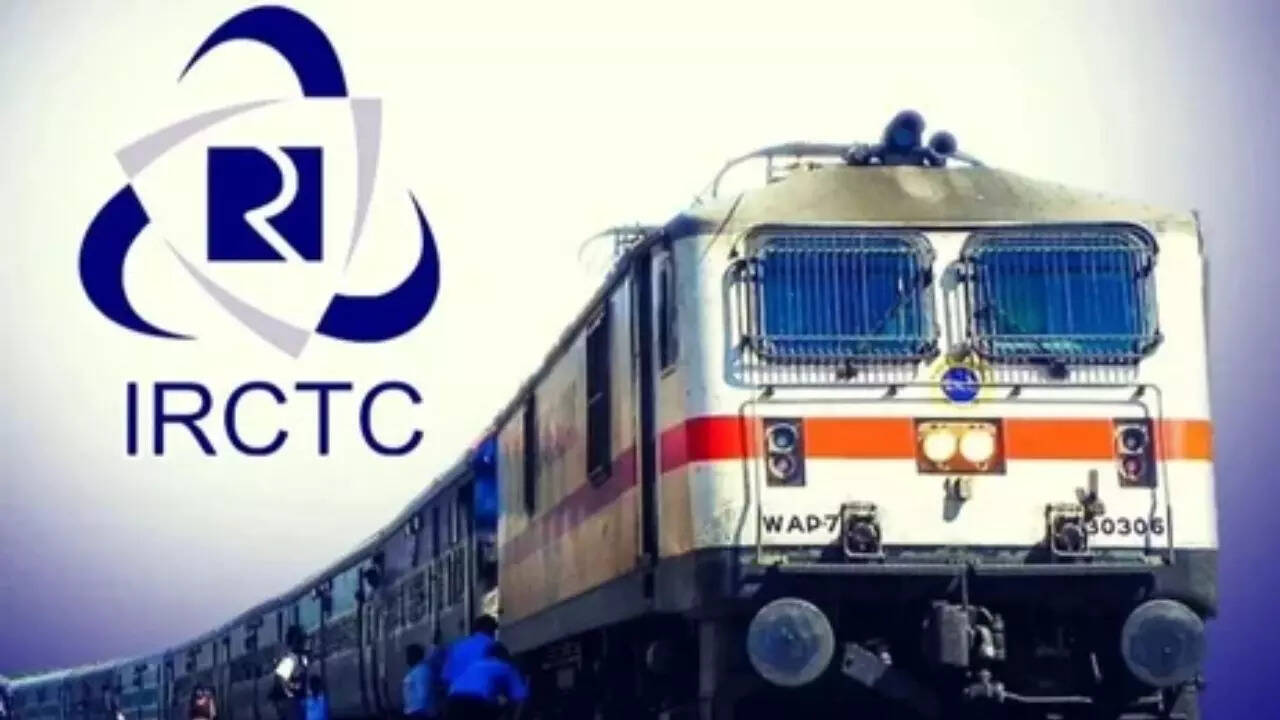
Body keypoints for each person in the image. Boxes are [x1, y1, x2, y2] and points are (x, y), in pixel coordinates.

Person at [444, 643, 528, 720]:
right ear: (505, 656)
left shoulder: (474, 665)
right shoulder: (506, 667)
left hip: (453, 701)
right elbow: (520, 698)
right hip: (477, 702)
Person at [440, 616, 498, 688]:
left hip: (456, 692)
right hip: (481, 692)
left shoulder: (455, 648)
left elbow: (445, 678)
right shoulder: (492, 646)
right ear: (490, 631)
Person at [271, 625, 309, 720]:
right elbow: (279, 680)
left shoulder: (300, 658)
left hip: (295, 702)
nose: (303, 642)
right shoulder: (290, 659)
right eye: (300, 639)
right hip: (291, 703)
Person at [402, 644, 437, 719]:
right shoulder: (416, 670)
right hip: (415, 712)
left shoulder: (421, 671)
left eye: (408, 656)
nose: (406, 659)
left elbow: (423, 694)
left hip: (419, 713)